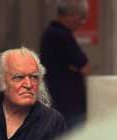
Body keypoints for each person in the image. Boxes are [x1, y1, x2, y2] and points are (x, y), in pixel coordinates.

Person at [40, 0, 90, 130]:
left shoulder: (50, 33)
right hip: (68, 105)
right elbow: (84, 66)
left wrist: (73, 66)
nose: (80, 24)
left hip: (57, 102)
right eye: (81, 19)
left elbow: (79, 65)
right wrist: (74, 67)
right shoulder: (60, 35)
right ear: (74, 14)